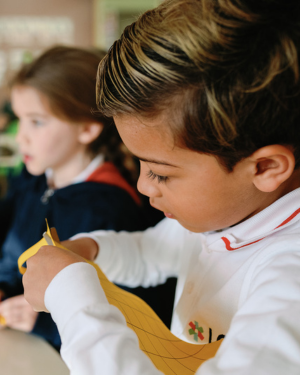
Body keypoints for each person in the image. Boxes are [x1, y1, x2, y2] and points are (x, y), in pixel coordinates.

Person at [23, 0, 300, 373]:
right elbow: (151, 250)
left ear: (265, 168)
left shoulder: (289, 280)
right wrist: (91, 249)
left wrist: (72, 296)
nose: (143, 185)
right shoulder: (226, 213)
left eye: (162, 173)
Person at [0, 45, 166, 351]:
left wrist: (43, 323)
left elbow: (127, 318)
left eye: (36, 122)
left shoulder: (108, 207)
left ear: (88, 128)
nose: (20, 136)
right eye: (19, 119)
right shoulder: (33, 175)